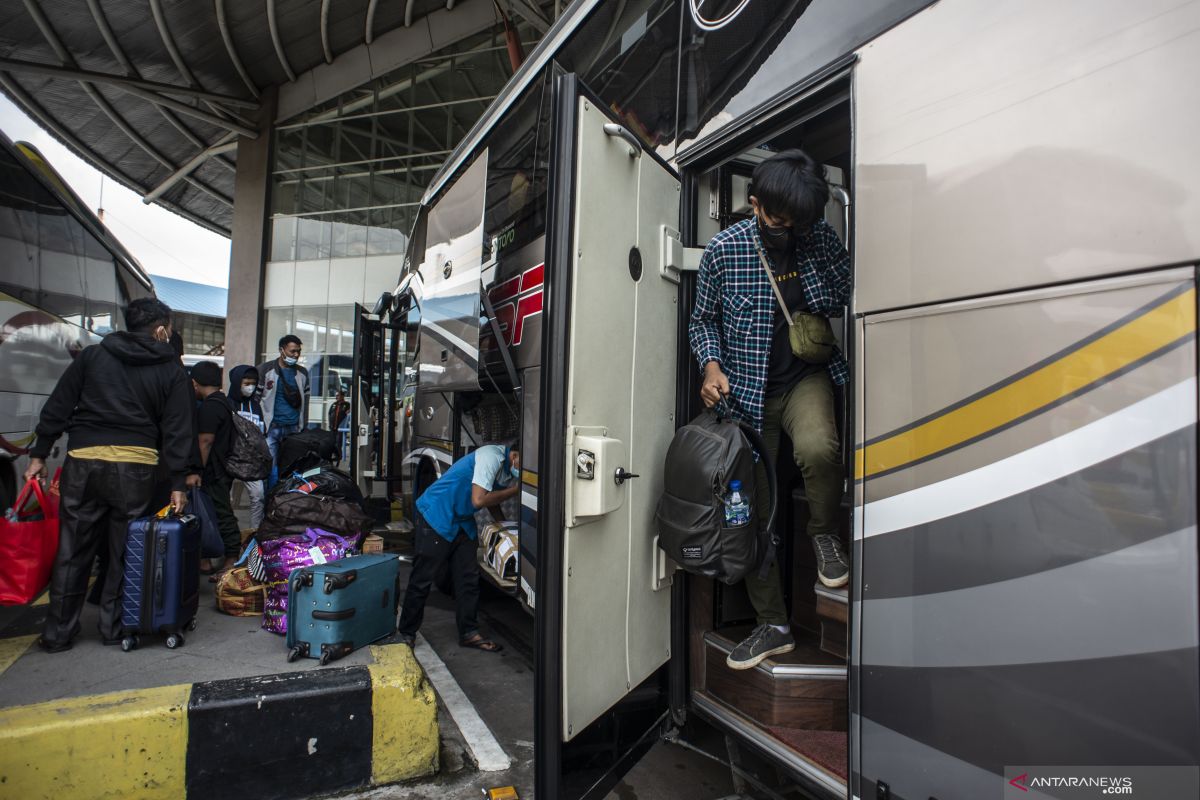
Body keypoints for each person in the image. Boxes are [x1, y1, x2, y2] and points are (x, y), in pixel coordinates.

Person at [690, 149, 851, 670]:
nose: (787, 230)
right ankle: (773, 624)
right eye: (779, 220)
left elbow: (846, 291)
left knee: (820, 449)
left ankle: (825, 536)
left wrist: (810, 274)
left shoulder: (818, 237)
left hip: (806, 377)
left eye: (797, 223)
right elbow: (701, 321)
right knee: (750, 513)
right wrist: (711, 368)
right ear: (755, 204)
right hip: (748, 395)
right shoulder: (724, 251)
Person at [23, 298, 193, 652]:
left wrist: (39, 453)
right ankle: (113, 628)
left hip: (83, 462)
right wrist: (179, 481)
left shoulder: (93, 356)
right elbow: (178, 430)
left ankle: (57, 634)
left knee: (73, 547)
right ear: (161, 330)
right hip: (136, 468)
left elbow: (59, 403)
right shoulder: (172, 371)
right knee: (125, 550)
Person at [397, 443, 520, 653]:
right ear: (516, 455)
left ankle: (469, 633)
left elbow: (490, 498)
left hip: (461, 521)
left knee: (468, 580)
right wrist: (515, 491)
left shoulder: (507, 469)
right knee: (422, 579)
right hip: (438, 515)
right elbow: (479, 499)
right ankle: (406, 633)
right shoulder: (491, 457)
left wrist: (503, 527)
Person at [189, 361, 241, 568]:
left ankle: (231, 559)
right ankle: (207, 560)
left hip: (214, 470)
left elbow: (205, 441)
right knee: (214, 512)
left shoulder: (210, 407)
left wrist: (196, 470)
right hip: (223, 467)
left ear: (195, 383)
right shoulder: (224, 402)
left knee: (220, 513)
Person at [256, 335, 310, 470]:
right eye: (293, 351)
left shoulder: (302, 373)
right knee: (270, 467)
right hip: (271, 427)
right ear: (281, 350)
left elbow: (306, 402)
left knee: (290, 467)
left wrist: (303, 426)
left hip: (293, 428)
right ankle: (271, 491)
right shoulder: (264, 370)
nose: (296, 355)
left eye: (298, 351)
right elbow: (256, 400)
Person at [228, 364, 267, 529]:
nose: (250, 387)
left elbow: (261, 431)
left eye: (253, 383)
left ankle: (254, 532)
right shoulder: (228, 404)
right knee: (226, 500)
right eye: (246, 383)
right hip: (230, 459)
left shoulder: (256, 406)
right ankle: (228, 531)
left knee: (258, 496)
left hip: (251, 461)